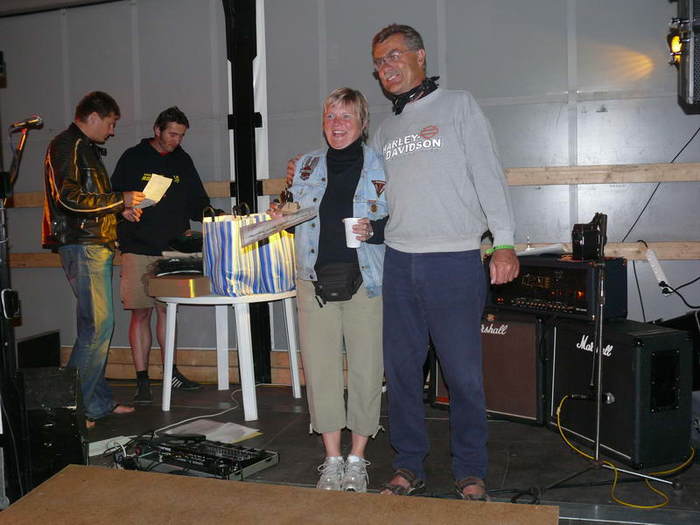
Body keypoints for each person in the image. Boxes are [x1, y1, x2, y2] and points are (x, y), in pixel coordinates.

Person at [369, 24, 520, 500]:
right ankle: (407, 464)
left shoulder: (459, 105)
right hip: (399, 261)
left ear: (420, 57)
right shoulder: (384, 129)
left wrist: (504, 242)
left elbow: (488, 174)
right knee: (402, 373)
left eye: (394, 56)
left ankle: (470, 469)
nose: (386, 67)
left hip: (453, 259)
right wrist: (308, 171)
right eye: (379, 62)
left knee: (462, 375)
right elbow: (369, 194)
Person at [281, 87, 387, 493]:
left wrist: (374, 229)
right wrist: (281, 213)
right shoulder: (306, 165)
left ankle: (357, 459)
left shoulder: (383, 164)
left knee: (366, 369)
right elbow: (294, 214)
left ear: (362, 122)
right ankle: (331, 459)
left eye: (345, 116)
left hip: (367, 282)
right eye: (330, 117)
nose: (337, 124)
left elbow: (402, 216)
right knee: (321, 370)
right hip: (314, 282)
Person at [42, 91, 145, 428]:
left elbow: (87, 200)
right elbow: (68, 199)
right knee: (98, 327)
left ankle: (96, 402)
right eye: (111, 123)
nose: (112, 131)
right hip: (83, 245)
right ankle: (70, 409)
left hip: (90, 243)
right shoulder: (67, 145)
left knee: (97, 327)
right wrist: (119, 200)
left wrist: (120, 209)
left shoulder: (81, 147)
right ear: (94, 117)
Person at [111, 106, 210, 403]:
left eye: (181, 135)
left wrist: (213, 216)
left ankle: (171, 373)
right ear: (157, 130)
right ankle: (142, 379)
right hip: (138, 245)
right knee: (140, 313)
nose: (177, 140)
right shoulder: (133, 157)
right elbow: (112, 199)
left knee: (168, 311)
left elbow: (198, 202)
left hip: (173, 248)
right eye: (172, 134)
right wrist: (123, 210)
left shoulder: (183, 160)